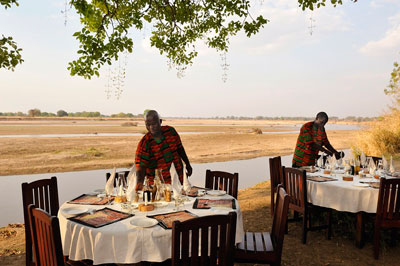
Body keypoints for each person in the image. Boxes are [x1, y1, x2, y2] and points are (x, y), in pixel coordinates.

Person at [135, 110, 192, 189]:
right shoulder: (144, 143)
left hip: (179, 179)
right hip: (158, 185)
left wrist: (188, 164)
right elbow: (140, 167)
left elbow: (180, 148)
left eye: (154, 124)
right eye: (148, 125)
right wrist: (139, 183)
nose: (151, 127)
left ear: (160, 121)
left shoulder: (171, 131)